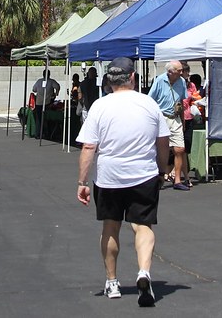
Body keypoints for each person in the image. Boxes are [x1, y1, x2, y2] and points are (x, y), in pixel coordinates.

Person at [76, 57, 170, 307]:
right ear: (132, 78)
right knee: (143, 226)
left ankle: (112, 281)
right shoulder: (149, 104)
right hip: (143, 174)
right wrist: (163, 169)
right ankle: (143, 272)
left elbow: (88, 146)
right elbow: (163, 141)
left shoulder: (99, 106)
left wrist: (82, 181)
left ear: (108, 81)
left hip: (110, 177)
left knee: (110, 227)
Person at [148, 60, 189, 190]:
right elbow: (150, 100)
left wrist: (183, 121)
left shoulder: (181, 82)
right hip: (162, 117)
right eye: (179, 70)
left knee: (179, 149)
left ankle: (177, 180)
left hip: (175, 118)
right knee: (159, 149)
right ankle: (157, 177)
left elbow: (181, 102)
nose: (182, 72)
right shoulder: (160, 80)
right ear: (170, 72)